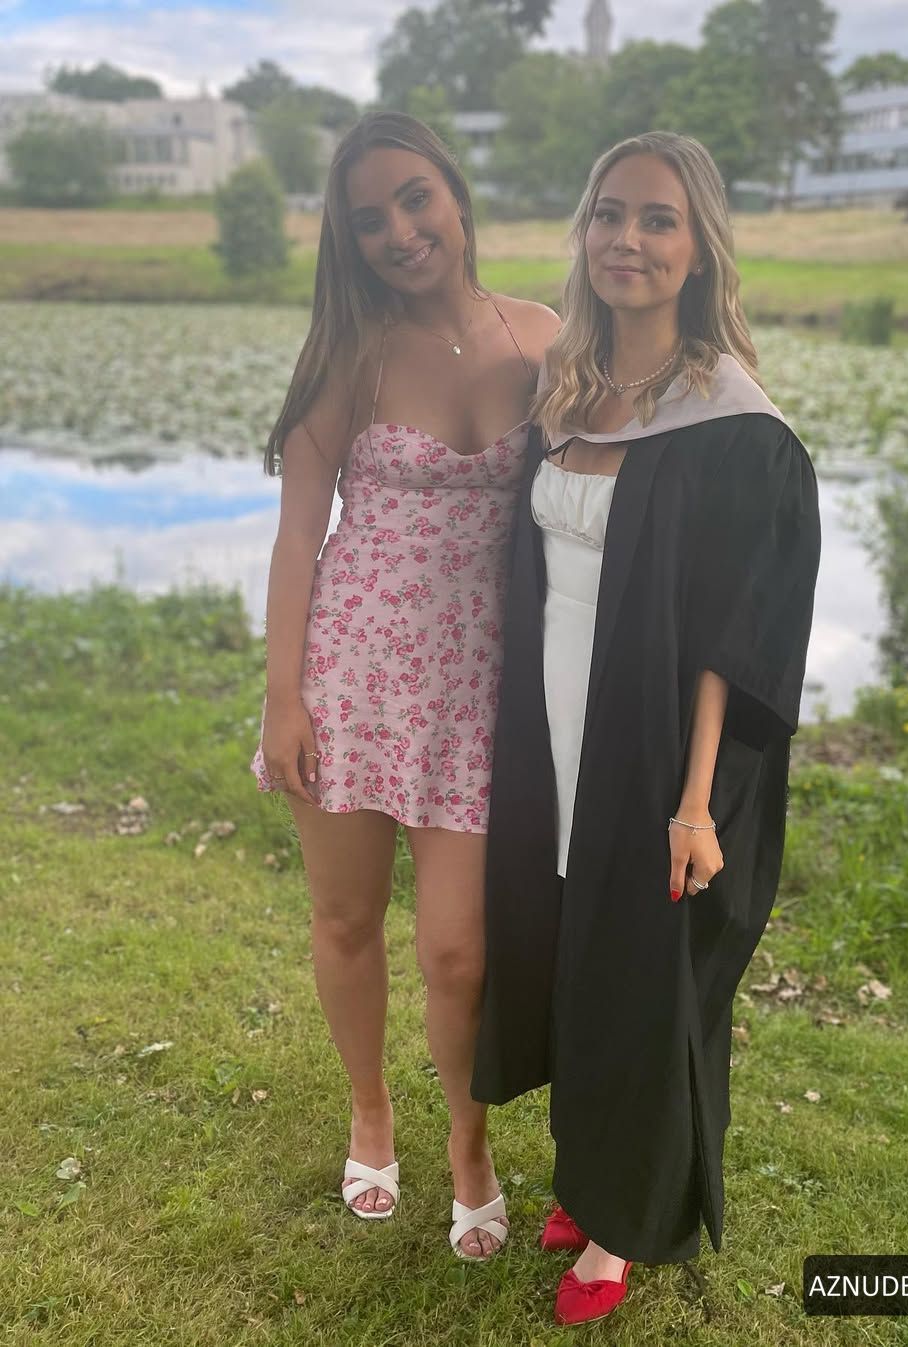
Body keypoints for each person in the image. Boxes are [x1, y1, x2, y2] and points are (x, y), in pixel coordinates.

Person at [471, 131, 820, 1323]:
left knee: (646, 978)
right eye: (610, 213)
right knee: (579, 955)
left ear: (698, 247)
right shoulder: (568, 389)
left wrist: (695, 799)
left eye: (658, 219)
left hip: (663, 741)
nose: (628, 239)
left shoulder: (728, 421)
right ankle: (586, 1176)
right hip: (556, 727)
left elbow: (735, 631)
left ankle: (623, 1225)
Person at [251, 111, 559, 1260]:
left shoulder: (544, 337)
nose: (399, 230)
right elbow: (297, 538)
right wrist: (284, 700)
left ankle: (469, 1142)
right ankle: (371, 1108)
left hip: (480, 689)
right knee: (345, 919)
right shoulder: (351, 354)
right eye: (369, 218)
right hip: (351, 674)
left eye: (414, 198)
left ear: (456, 194)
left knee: (458, 951)